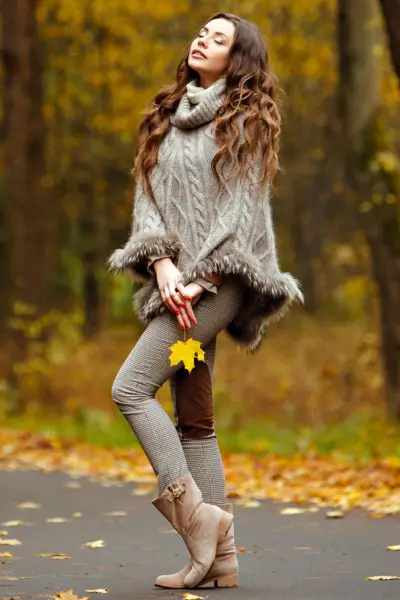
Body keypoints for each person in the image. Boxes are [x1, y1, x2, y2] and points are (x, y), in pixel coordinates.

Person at [107, 11, 303, 590]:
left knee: (130, 388)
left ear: (237, 58)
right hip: (175, 280)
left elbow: (240, 212)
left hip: (223, 283)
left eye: (219, 39)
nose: (203, 40)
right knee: (195, 418)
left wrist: (199, 279)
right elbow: (147, 195)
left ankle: (196, 520)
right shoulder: (166, 115)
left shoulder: (247, 119)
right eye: (203, 32)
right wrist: (162, 262)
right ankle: (222, 560)